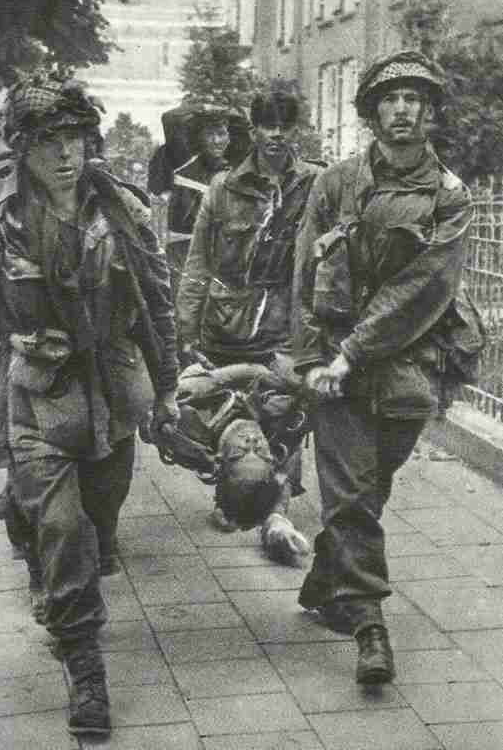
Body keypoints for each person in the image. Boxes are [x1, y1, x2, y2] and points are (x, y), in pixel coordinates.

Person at [0, 68, 180, 735]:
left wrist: (169, 384)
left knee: (98, 519)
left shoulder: (119, 205)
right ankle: (84, 665)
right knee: (67, 533)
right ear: (21, 146)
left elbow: (154, 300)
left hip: (112, 393)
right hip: (36, 396)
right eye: (48, 141)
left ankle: (29, 526)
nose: (66, 154)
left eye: (75, 138)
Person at [292, 50, 483, 684]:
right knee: (352, 498)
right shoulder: (337, 183)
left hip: (408, 370)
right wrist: (313, 358)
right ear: (371, 112)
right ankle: (370, 626)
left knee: (367, 490)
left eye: (414, 100)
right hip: (337, 371)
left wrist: (352, 352)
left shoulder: (450, 197)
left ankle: (325, 585)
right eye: (390, 99)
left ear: (430, 113)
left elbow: (425, 289)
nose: (402, 109)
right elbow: (303, 274)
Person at [177, 89, 323, 537]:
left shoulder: (318, 184)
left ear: (296, 129)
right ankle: (233, 493)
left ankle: (276, 508)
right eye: (267, 124)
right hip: (227, 326)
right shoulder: (224, 188)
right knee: (230, 418)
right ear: (254, 128)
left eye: (285, 124)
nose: (276, 134)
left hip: (285, 324)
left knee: (282, 415)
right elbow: (199, 262)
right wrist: (183, 331)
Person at [146, 357, 311, 564]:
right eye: (260, 452)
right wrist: (277, 522)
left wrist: (239, 375)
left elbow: (156, 414)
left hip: (214, 355)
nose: (251, 441)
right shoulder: (285, 432)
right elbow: (282, 480)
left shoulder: (187, 421)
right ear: (272, 457)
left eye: (240, 454)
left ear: (221, 460)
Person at [165, 106, 232, 301]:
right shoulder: (185, 170)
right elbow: (169, 117)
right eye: (210, 134)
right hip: (186, 256)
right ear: (199, 138)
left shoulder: (232, 172)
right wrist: (203, 106)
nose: (217, 141)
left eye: (221, 134)